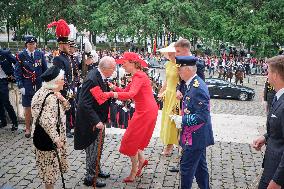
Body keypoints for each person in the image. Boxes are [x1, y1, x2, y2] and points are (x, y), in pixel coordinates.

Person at [89, 52, 158, 182]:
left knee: (129, 140)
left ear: (132, 63)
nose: (123, 66)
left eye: (124, 63)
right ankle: (141, 160)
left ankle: (134, 171)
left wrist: (110, 94)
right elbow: (125, 92)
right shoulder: (138, 75)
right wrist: (114, 88)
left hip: (145, 112)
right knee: (134, 138)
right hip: (144, 110)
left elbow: (131, 94)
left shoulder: (138, 76)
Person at [74, 56, 116, 188]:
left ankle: (96, 170)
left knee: (99, 147)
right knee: (93, 148)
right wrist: (96, 121)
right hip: (91, 122)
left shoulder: (100, 76)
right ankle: (90, 177)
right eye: (113, 68)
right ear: (105, 69)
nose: (114, 71)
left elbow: (100, 96)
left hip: (99, 119)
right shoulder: (92, 79)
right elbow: (84, 104)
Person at [175, 56, 214, 189]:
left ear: (187, 70)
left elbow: (202, 116)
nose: (178, 72)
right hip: (197, 135)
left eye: (180, 70)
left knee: (186, 168)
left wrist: (182, 120)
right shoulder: (192, 83)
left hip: (195, 136)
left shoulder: (197, 87)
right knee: (200, 168)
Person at [31, 66, 70, 189]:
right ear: (55, 82)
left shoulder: (44, 92)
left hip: (40, 137)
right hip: (49, 140)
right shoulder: (51, 98)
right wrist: (57, 140)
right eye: (62, 79)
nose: (64, 81)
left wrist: (62, 99)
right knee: (49, 172)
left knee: (47, 169)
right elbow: (47, 123)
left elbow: (67, 107)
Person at [252, 55, 284, 189]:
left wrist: (277, 181)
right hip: (271, 166)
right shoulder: (278, 97)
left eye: (269, 71)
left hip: (277, 174)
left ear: (275, 75)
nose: (267, 75)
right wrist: (265, 137)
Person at [14, 36, 48, 138]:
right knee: (27, 108)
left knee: (39, 108)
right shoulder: (21, 56)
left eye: (33, 44)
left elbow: (45, 69)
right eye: (30, 44)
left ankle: (37, 128)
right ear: (26, 45)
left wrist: (44, 82)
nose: (32, 46)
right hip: (27, 86)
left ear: (36, 44)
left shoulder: (40, 54)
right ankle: (28, 128)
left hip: (38, 85)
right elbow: (17, 72)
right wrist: (20, 86)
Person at [48, 19, 74, 138]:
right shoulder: (58, 58)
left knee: (68, 108)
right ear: (61, 45)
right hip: (62, 87)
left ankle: (68, 127)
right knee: (62, 109)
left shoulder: (67, 57)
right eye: (66, 44)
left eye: (68, 44)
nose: (68, 46)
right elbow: (59, 75)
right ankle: (64, 128)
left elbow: (71, 73)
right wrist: (66, 87)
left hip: (69, 86)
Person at [157, 43, 179, 155]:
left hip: (177, 96)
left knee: (174, 121)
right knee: (167, 120)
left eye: (172, 52)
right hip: (168, 95)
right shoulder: (168, 64)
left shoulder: (181, 65)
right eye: (169, 52)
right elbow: (167, 80)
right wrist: (161, 90)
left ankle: (176, 145)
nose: (170, 54)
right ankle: (169, 145)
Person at [0, 48, 18, 130]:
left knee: (6, 102)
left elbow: (17, 63)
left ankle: (15, 122)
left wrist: (13, 74)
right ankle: (3, 121)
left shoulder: (5, 53)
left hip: (3, 80)